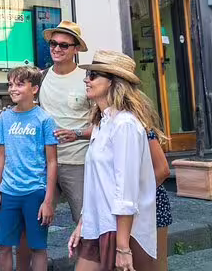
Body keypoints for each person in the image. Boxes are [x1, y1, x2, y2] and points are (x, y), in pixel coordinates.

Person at [68, 50, 158, 271]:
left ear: (112, 82)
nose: (86, 79)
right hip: (97, 224)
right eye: (87, 74)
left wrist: (123, 248)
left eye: (93, 75)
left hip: (118, 229)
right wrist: (83, 223)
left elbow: (126, 191)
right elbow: (96, 184)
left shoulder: (124, 124)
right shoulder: (102, 123)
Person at [16, 21, 91, 270]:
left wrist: (77, 133)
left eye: (63, 45)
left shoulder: (88, 80)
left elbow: (102, 125)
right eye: (53, 43)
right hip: (43, 163)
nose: (56, 48)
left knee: (86, 223)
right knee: (30, 222)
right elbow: (30, 112)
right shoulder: (42, 76)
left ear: (75, 49)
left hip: (78, 162)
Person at [0, 66, 59, 271]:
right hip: (9, 191)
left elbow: (52, 162)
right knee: (3, 245)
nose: (13, 89)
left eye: (20, 84)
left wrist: (48, 200)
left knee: (37, 246)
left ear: (35, 89)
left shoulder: (45, 120)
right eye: (10, 84)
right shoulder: (5, 117)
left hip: (35, 192)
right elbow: (1, 155)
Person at [147, 129, 171, 271]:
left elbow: (163, 170)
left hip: (153, 203)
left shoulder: (144, 131)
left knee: (156, 262)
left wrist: (136, 194)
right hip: (131, 206)